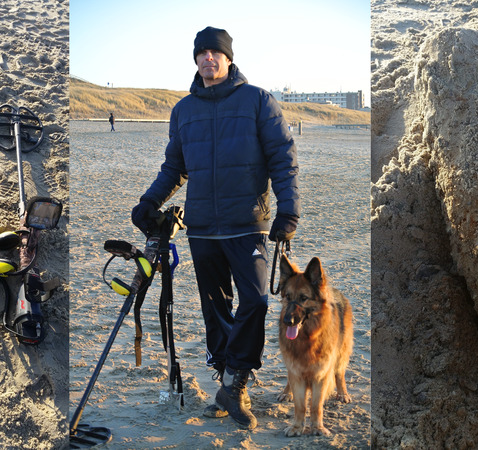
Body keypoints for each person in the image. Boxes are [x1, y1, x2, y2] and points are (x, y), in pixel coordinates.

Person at [131, 26, 300, 430]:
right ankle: (228, 386)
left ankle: (236, 378)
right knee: (215, 310)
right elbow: (175, 166)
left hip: (248, 225)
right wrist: (149, 201)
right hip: (203, 228)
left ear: (228, 58)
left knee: (257, 301)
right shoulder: (184, 110)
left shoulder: (257, 100)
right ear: (196, 60)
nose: (209, 59)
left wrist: (287, 212)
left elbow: (283, 158)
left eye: (216, 53)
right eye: (202, 53)